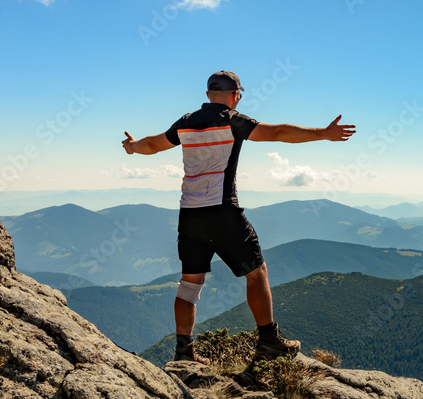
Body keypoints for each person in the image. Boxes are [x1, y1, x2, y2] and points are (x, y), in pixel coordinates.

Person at [121, 70, 355, 363]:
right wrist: (323, 133)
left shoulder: (185, 123)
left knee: (189, 284)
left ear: (208, 95)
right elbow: (279, 133)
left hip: (189, 215)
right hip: (222, 213)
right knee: (256, 272)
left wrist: (131, 147)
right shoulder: (233, 120)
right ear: (235, 96)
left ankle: (184, 352)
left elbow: (153, 144)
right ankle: (269, 341)